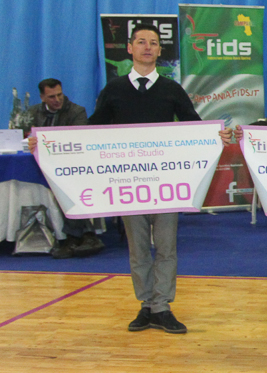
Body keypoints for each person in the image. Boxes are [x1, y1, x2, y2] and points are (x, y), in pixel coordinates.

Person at [32, 25, 220, 334]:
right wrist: (47, 143)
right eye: (141, 42)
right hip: (127, 185)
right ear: (130, 48)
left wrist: (219, 136)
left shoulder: (172, 90)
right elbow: (90, 131)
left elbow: (197, 128)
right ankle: (146, 304)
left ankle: (162, 306)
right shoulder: (114, 89)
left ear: (160, 51)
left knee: (166, 247)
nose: (148, 47)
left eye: (154, 43)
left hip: (166, 183)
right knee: (138, 249)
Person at [31, 78, 104, 258]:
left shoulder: (76, 111)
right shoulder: (33, 112)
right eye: (51, 97)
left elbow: (78, 138)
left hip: (71, 164)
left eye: (59, 95)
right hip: (42, 164)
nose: (57, 100)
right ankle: (86, 235)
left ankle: (74, 237)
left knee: (67, 186)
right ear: (42, 97)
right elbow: (23, 134)